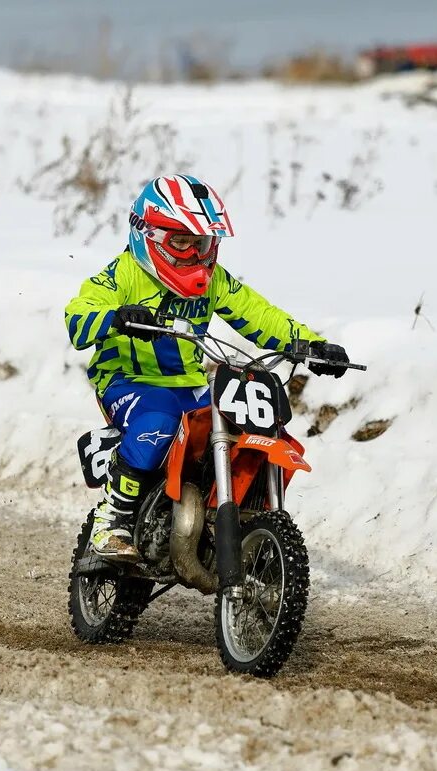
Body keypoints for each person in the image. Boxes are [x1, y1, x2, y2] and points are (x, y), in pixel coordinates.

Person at [64, 174, 349, 561]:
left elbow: (260, 316)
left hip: (190, 383)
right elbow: (78, 317)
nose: (194, 254)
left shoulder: (213, 281)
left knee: (243, 422)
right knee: (159, 420)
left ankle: (241, 522)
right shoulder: (122, 275)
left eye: (200, 243)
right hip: (127, 382)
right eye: (181, 242)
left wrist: (313, 344)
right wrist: (115, 317)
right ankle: (113, 517)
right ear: (150, 236)